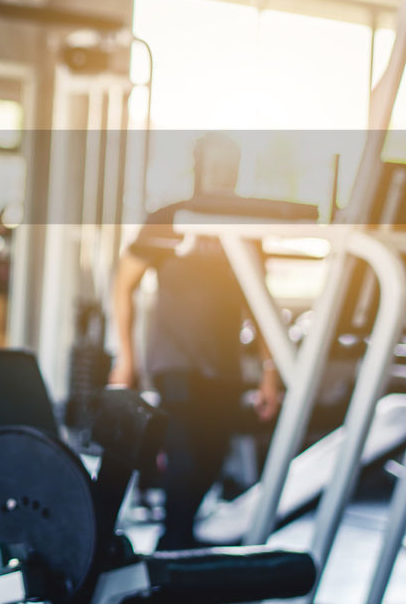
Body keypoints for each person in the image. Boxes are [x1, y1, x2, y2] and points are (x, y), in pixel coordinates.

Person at [109, 132, 283, 550]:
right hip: (175, 362)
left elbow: (262, 309)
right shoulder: (168, 219)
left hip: (222, 365)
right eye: (216, 166)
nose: (223, 176)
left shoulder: (247, 228)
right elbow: (123, 285)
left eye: (231, 167)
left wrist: (269, 376)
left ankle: (180, 544)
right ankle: (174, 546)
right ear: (199, 168)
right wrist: (127, 358)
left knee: (211, 458)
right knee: (185, 456)